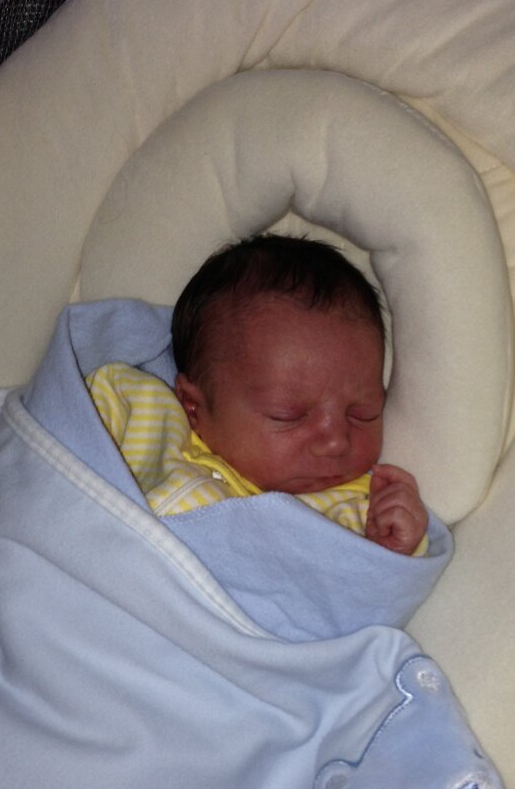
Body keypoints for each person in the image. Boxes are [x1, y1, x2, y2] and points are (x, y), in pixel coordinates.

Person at [87, 234, 428, 555]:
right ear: (193, 407)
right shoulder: (145, 412)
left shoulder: (358, 511)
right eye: (288, 414)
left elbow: (361, 586)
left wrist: (392, 546)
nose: (336, 442)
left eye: (362, 413)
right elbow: (69, 435)